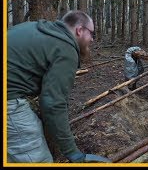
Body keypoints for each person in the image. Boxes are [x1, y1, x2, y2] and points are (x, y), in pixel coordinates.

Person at [7, 10, 112, 163]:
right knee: (37, 159)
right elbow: (53, 103)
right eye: (92, 34)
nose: (92, 40)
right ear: (79, 30)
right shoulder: (66, 49)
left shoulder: (41, 30)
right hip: (8, 99)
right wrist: (72, 152)